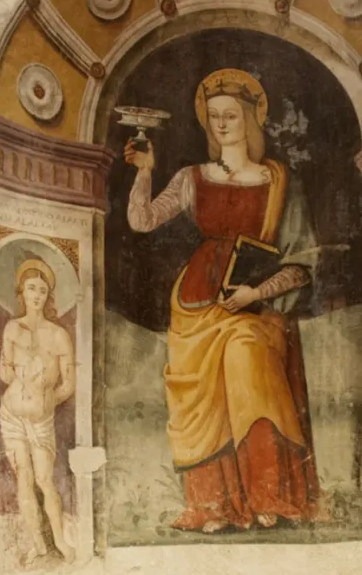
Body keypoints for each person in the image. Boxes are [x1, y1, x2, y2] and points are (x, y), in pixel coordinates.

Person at [125, 68, 326, 533]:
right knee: (205, 399)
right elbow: (142, 220)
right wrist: (145, 171)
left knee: (248, 364)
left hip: (255, 306)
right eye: (213, 115)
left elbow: (303, 262)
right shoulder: (192, 177)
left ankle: (267, 496)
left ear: (251, 118)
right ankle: (215, 506)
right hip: (196, 303)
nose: (221, 124)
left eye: (231, 115)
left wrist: (257, 291)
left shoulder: (277, 180)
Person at [0, 257, 76, 563]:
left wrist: (46, 399)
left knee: (44, 479)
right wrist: (19, 371)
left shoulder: (58, 335)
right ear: (22, 291)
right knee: (23, 477)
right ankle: (38, 546)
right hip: (12, 415)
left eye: (42, 290)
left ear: (48, 296)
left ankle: (60, 542)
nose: (36, 295)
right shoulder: (11, 328)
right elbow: (5, 374)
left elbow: (68, 384)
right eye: (31, 288)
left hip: (41, 419)